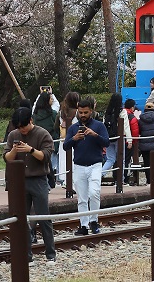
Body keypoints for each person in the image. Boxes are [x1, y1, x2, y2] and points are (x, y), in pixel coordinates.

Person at [4, 107, 56, 263]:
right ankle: (26, 256)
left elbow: (46, 157)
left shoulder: (42, 134)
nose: (22, 130)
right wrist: (14, 149)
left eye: (24, 126)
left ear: (31, 121)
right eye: (19, 127)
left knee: (43, 217)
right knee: (20, 219)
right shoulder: (13, 135)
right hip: (19, 181)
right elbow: (7, 158)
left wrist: (31, 150)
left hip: (38, 179)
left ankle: (51, 254)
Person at [63, 97, 110, 235]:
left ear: (91, 111)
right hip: (79, 166)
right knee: (82, 198)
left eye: (86, 112)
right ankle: (83, 225)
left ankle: (94, 221)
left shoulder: (99, 126)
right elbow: (66, 146)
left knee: (94, 193)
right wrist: (74, 138)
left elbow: (106, 142)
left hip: (95, 164)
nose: (83, 115)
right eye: (80, 112)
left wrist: (95, 135)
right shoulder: (73, 128)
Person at [101, 93, 132, 178]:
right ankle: (120, 180)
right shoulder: (122, 111)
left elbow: (104, 125)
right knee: (121, 159)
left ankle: (100, 174)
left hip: (109, 138)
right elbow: (126, 126)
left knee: (110, 159)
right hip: (119, 137)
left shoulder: (107, 112)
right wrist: (129, 140)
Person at [32, 92, 59, 187]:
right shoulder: (53, 113)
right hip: (52, 139)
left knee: (43, 161)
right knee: (52, 161)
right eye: (51, 99)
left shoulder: (35, 114)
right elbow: (56, 127)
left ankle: (45, 181)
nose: (52, 100)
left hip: (38, 140)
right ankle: (54, 180)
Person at [136, 102, 154, 185]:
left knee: (147, 163)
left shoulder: (141, 120)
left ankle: (149, 180)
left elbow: (139, 131)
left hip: (145, 145)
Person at [58, 92, 80, 186]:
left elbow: (56, 126)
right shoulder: (77, 113)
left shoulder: (61, 112)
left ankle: (66, 181)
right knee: (74, 160)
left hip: (63, 139)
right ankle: (72, 183)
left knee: (64, 159)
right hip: (75, 139)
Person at [123, 99, 139, 184]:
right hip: (129, 142)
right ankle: (125, 178)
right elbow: (135, 132)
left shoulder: (121, 113)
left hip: (120, 140)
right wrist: (133, 142)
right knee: (127, 160)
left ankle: (117, 178)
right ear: (132, 107)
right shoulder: (132, 118)